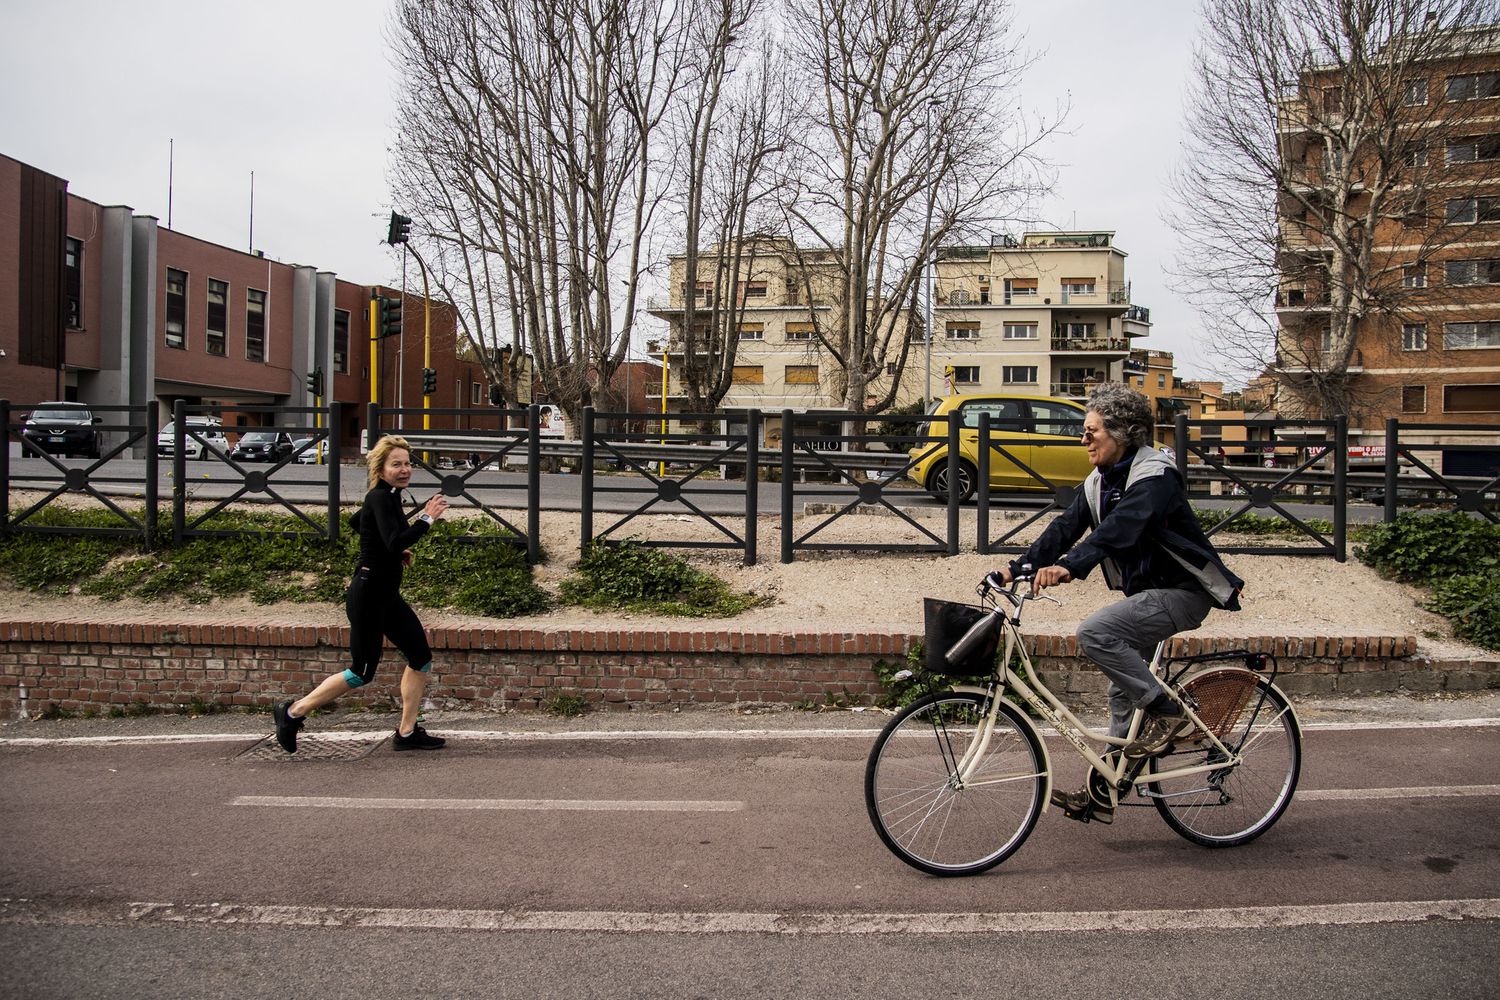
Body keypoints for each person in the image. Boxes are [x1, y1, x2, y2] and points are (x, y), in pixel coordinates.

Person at [993, 383, 1243, 822]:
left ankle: (1170, 716)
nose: (1083, 439)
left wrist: (1069, 566)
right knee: (1122, 692)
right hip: (1146, 594)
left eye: (1092, 432)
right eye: (1083, 431)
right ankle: (1107, 788)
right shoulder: (1099, 482)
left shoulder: (1155, 475)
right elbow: (1065, 527)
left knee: (1096, 633)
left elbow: (1122, 529)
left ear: (1123, 433)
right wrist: (1016, 568)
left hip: (1184, 593)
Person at [273, 435, 451, 753]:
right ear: (381, 468)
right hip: (369, 595)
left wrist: (394, 552)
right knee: (361, 672)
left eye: (408, 463)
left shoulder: (389, 496)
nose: (404, 469)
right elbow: (393, 539)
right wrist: (426, 518)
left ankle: (407, 732)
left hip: (385, 595)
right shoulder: (381, 498)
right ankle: (292, 712)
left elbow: (360, 523)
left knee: (420, 657)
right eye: (396, 464)